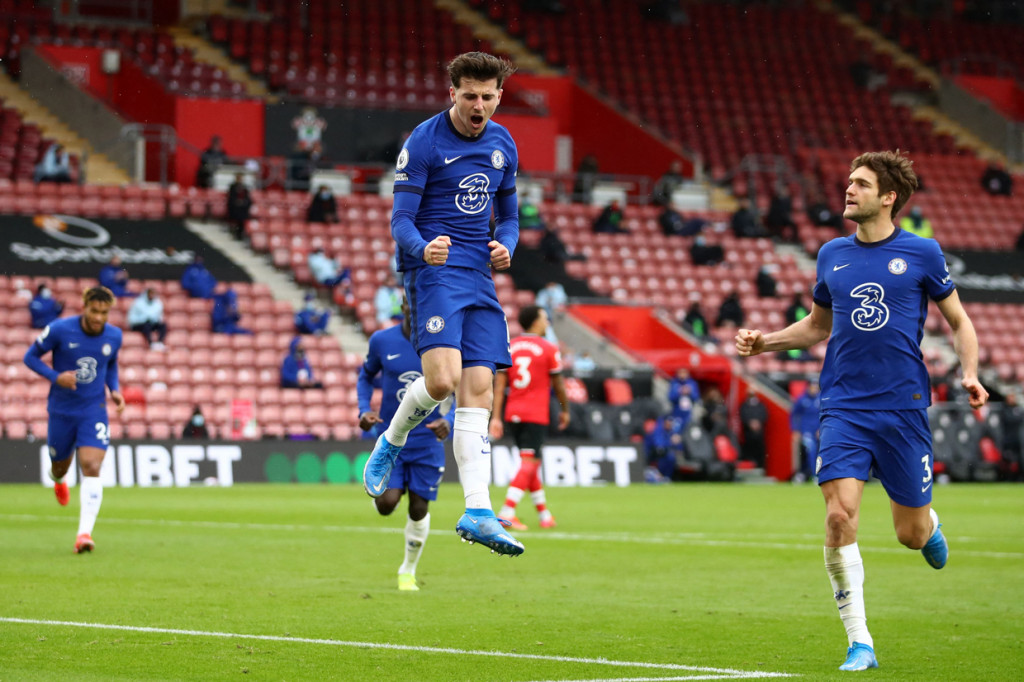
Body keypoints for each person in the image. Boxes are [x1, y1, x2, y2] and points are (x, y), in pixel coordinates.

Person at [735, 150, 988, 672]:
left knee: (909, 534)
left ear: (888, 197)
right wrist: (766, 343)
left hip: (904, 407)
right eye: (849, 182)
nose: (848, 190)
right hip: (844, 405)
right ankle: (860, 642)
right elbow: (817, 326)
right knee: (838, 516)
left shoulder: (923, 253)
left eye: (860, 183)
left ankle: (930, 525)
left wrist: (969, 372)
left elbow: (961, 323)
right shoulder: (831, 254)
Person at [362, 51, 525, 557]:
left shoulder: (504, 143)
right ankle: (390, 441)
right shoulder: (425, 141)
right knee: (441, 381)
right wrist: (422, 248)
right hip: (433, 270)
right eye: (470, 95)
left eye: (488, 96)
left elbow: (512, 215)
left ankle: (478, 511)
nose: (479, 105)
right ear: (452, 93)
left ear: (499, 96)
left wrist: (508, 246)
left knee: (480, 389)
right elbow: (400, 222)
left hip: (478, 273)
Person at [358, 298, 455, 590]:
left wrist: (449, 418)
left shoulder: (443, 343)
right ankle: (383, 495)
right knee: (387, 504)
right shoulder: (382, 340)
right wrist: (363, 408)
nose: (417, 309)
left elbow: (461, 385)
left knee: (418, 508)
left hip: (427, 439)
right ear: (403, 305)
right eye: (413, 304)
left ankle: (407, 570)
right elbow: (365, 376)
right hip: (392, 437)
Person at [22, 286, 125, 553]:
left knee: (91, 465)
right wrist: (57, 377)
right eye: (94, 311)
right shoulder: (59, 329)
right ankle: (58, 480)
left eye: (104, 313)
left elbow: (110, 364)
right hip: (62, 410)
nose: (99, 318)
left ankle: (84, 534)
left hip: (94, 409)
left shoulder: (115, 336)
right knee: (60, 467)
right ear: (84, 306)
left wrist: (114, 389)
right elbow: (29, 357)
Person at [491, 305, 570, 531]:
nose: (547, 323)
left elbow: (500, 385)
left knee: (531, 463)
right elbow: (559, 385)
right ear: (535, 321)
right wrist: (565, 409)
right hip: (535, 414)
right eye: (545, 318)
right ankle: (507, 512)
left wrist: (496, 417)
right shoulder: (548, 348)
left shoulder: (511, 346)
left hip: (512, 413)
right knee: (529, 462)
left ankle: (544, 514)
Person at [790, 381, 821, 482]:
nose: (814, 389)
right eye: (813, 387)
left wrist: (822, 428)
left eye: (816, 387)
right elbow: (794, 415)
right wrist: (795, 430)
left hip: (818, 431)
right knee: (811, 450)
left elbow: (825, 415)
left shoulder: (820, 399)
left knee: (817, 453)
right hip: (806, 431)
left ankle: (802, 473)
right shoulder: (802, 399)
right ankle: (815, 476)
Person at [739, 391, 768, 467]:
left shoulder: (761, 405)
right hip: (748, 435)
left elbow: (765, 415)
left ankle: (760, 466)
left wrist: (758, 422)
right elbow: (742, 415)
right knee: (748, 451)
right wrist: (750, 423)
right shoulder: (744, 405)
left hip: (759, 435)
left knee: (760, 451)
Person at [226, 173, 252, 239]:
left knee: (243, 217)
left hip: (243, 209)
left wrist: (243, 202)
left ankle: (240, 233)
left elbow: (248, 199)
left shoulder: (245, 188)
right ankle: (235, 232)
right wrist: (237, 202)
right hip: (234, 208)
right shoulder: (232, 187)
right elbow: (230, 198)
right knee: (236, 215)